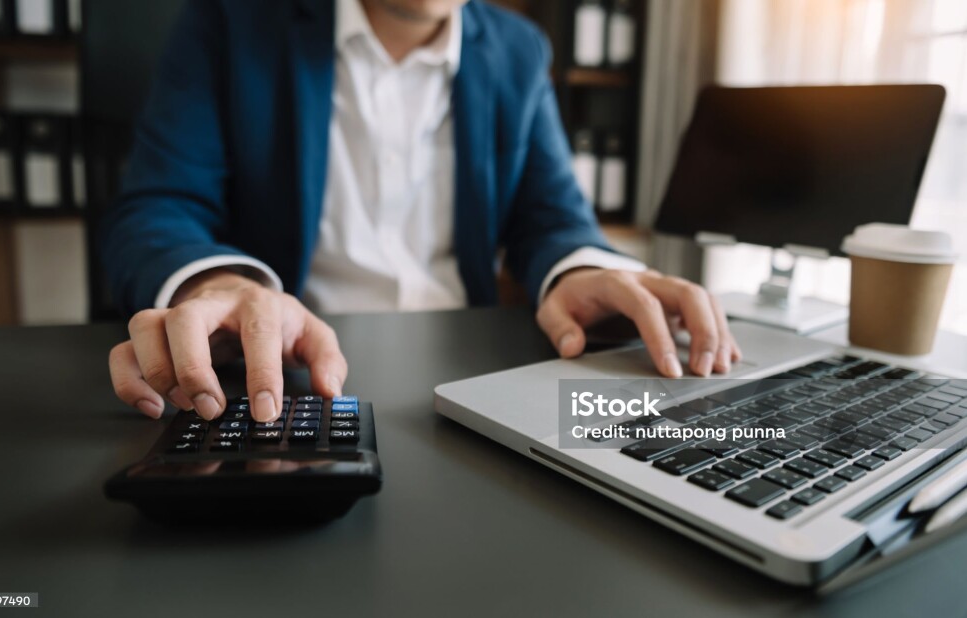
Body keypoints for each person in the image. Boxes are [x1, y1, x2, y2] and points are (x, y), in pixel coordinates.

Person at [103, 0, 741, 424]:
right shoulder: (230, 23)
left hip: (472, 376)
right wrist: (220, 285)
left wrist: (580, 270)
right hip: (288, 379)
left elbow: (550, 217)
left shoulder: (518, 49)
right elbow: (160, 206)